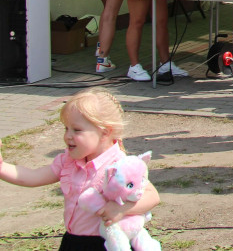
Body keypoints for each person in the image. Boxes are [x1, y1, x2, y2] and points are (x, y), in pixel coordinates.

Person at [0, 89, 161, 250]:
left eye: (76, 130)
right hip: (72, 242)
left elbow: (152, 196)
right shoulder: (68, 162)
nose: (68, 136)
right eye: (66, 128)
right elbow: (32, 177)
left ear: (104, 132)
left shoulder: (120, 165)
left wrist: (121, 209)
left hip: (106, 243)